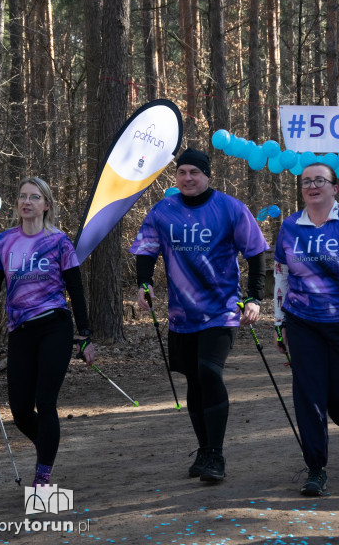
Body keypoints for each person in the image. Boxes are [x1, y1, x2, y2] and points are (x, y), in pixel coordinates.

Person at [130, 147, 269, 484]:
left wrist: (254, 297)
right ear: (176, 177)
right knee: (194, 379)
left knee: (209, 373)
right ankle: (204, 449)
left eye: (195, 172)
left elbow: (256, 252)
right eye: (182, 172)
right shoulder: (164, 210)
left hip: (221, 310)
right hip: (181, 314)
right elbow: (147, 250)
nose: (188, 178)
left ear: (208, 175)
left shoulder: (229, 208)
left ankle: (217, 455)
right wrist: (144, 285)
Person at [0, 176, 94, 487]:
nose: (27, 202)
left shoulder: (60, 242)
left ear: (47, 205)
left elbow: (76, 290)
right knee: (21, 410)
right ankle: (47, 447)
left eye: (35, 197)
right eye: (23, 196)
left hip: (55, 326)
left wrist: (86, 335)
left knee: (45, 401)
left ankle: (43, 476)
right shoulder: (3, 242)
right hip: (20, 331)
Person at [273, 162, 339, 497]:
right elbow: (281, 277)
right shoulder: (290, 226)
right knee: (309, 396)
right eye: (306, 181)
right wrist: (280, 324)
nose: (312, 185)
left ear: (334, 187)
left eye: (320, 180)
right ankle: (316, 468)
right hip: (303, 320)